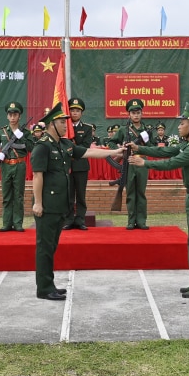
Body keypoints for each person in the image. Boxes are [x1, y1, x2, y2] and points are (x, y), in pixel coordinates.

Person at [30, 102, 121, 300]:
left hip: (59, 206)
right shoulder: (42, 147)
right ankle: (44, 288)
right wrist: (37, 203)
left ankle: (49, 284)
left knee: (51, 247)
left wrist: (114, 152)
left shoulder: (64, 144)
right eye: (62, 122)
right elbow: (37, 176)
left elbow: (87, 152)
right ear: (51, 124)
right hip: (46, 206)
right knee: (45, 248)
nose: (66, 125)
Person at [128, 104, 189, 299]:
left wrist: (144, 163)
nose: (178, 126)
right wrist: (139, 147)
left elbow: (171, 163)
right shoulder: (188, 144)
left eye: (182, 123)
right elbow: (166, 151)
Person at [108, 98, 154, 230]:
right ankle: (131, 220)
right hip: (129, 163)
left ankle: (141, 221)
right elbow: (111, 142)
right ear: (129, 114)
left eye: (138, 112)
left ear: (142, 113)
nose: (136, 115)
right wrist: (120, 149)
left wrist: (144, 145)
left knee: (141, 193)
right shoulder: (124, 129)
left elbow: (153, 146)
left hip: (142, 163)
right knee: (130, 193)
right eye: (133, 113)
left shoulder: (147, 130)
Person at [0, 102, 33, 232]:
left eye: (15, 114)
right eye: (10, 114)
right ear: (7, 117)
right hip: (6, 166)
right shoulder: (2, 132)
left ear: (19, 116)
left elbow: (31, 148)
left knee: (18, 196)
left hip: (19, 165)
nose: (13, 117)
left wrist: (22, 139)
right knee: (7, 196)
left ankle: (18, 223)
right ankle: (7, 223)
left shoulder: (25, 132)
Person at [63, 97, 94, 230]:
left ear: (81, 113)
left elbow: (85, 146)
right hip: (67, 166)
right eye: (72, 110)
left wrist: (72, 147)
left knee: (81, 195)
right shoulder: (63, 127)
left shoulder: (87, 128)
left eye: (77, 111)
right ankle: (69, 220)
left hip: (81, 165)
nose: (74, 113)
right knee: (68, 195)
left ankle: (80, 219)